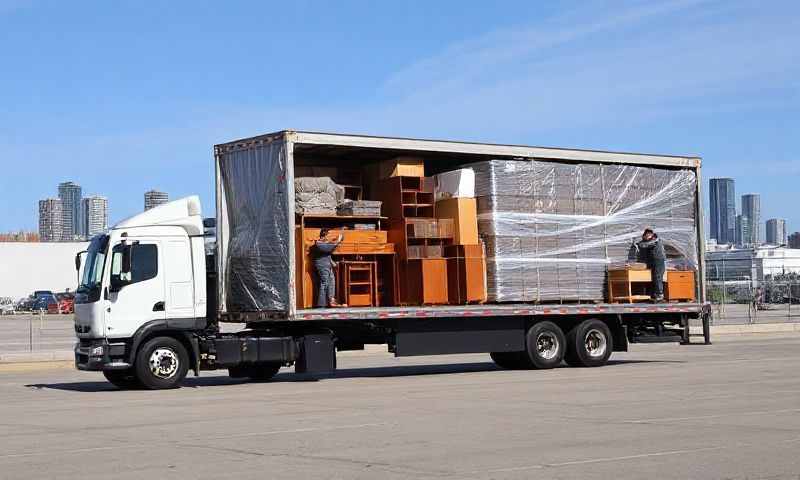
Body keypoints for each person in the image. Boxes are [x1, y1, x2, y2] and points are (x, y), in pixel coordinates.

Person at [312, 228, 344, 307]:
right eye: (328, 236)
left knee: (331, 281)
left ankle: (331, 300)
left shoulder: (324, 243)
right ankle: (321, 304)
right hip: (322, 265)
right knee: (325, 283)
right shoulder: (319, 243)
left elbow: (327, 254)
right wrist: (338, 240)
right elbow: (328, 249)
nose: (329, 238)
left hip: (327, 264)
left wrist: (333, 263)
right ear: (324, 235)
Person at [636, 228, 666, 301]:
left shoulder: (655, 240)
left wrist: (639, 243)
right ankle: (653, 295)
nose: (646, 237)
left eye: (647, 235)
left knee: (657, 277)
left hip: (658, 261)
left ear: (651, 234)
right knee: (653, 278)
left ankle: (660, 295)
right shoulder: (650, 240)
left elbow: (644, 245)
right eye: (645, 235)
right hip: (652, 261)